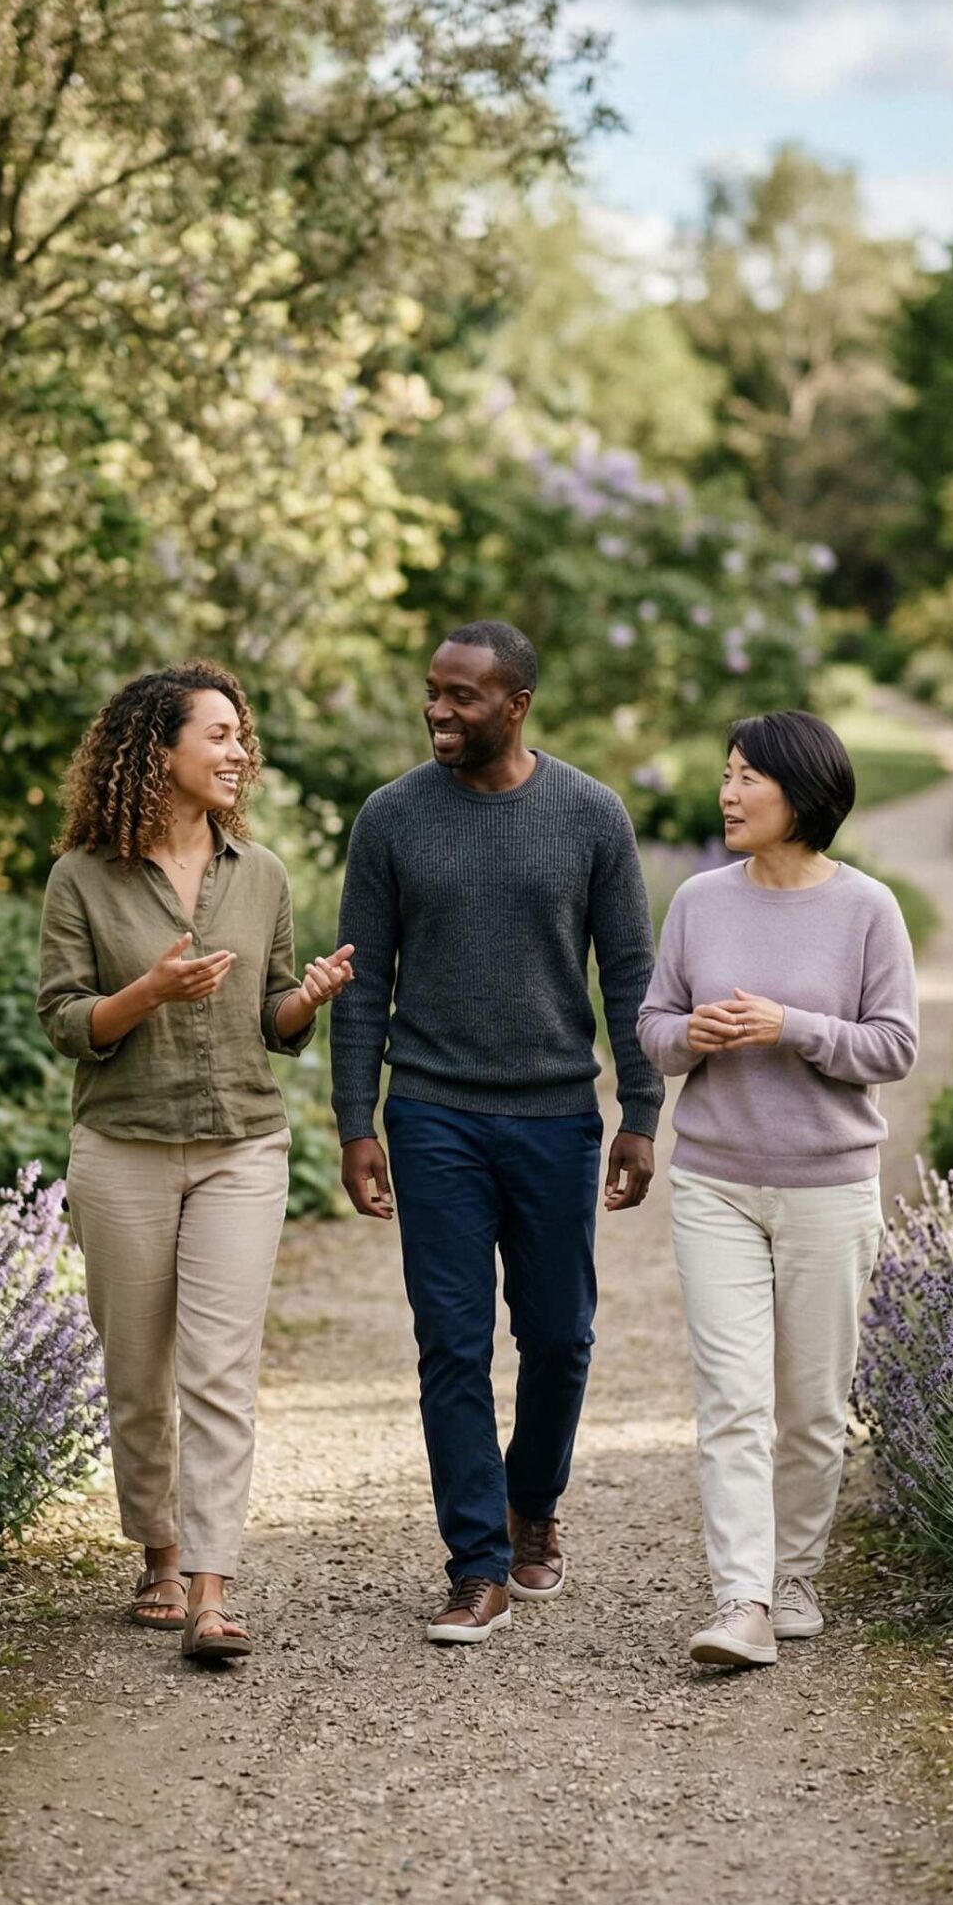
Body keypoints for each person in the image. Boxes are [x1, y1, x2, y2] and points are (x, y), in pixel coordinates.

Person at [330, 620, 663, 1645]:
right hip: (432, 1114)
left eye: (462, 695)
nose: (439, 708)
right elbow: (360, 986)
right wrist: (355, 1121)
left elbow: (630, 975)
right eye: (433, 690)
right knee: (451, 1344)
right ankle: (474, 1561)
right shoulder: (390, 820)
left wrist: (641, 1112)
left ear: (515, 703)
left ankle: (533, 1503)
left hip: (557, 1114)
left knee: (560, 1339)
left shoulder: (589, 814)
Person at [37, 662, 353, 1664]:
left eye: (240, 736)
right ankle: (160, 1559)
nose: (237, 753)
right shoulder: (81, 877)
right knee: (138, 1372)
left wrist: (305, 999)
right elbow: (64, 1019)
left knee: (221, 1369)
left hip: (242, 1147)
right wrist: (148, 993)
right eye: (216, 734)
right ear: (157, 750)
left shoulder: (257, 874)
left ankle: (214, 1589)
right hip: (122, 1147)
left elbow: (269, 1020)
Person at [636, 708, 918, 1670]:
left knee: (808, 1407)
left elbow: (894, 1046)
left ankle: (795, 1576)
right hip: (714, 1181)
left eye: (746, 776)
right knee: (730, 1401)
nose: (726, 792)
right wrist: (692, 1038)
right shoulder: (698, 902)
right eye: (725, 773)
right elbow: (651, 1026)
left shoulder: (867, 909)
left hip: (828, 1190)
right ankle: (742, 1599)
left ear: (802, 793)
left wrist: (789, 1025)